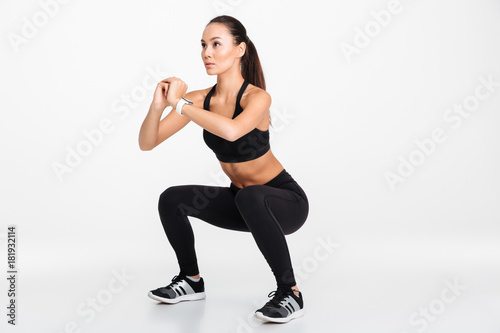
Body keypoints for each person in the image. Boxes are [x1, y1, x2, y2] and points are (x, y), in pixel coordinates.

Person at [138, 15, 309, 324]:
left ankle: (291, 292)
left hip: (284, 203)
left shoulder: (257, 98)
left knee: (251, 197)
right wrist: (158, 105)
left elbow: (231, 131)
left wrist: (180, 105)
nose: (207, 52)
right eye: (203, 45)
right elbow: (147, 143)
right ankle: (191, 280)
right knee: (171, 199)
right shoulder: (199, 100)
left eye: (217, 44)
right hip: (244, 202)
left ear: (240, 49)